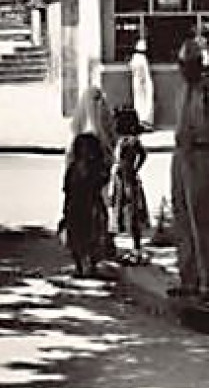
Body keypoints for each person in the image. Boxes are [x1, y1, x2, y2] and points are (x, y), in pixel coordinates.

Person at [170, 37, 209, 301]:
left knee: (204, 218)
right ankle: (189, 276)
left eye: (189, 64)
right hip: (182, 154)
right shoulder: (183, 90)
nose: (184, 69)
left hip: (204, 154)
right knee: (182, 217)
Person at [62, 87, 114, 276]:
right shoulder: (80, 135)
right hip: (82, 190)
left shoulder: (89, 134)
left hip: (89, 190)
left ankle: (89, 261)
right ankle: (84, 261)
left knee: (90, 224)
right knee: (83, 225)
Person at [110, 106, 150, 263]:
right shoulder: (128, 141)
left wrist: (131, 169)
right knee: (125, 212)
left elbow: (141, 155)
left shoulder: (128, 142)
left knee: (131, 213)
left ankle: (136, 247)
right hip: (125, 177)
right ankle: (133, 246)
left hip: (126, 179)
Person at [128, 38, 155, 130]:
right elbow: (143, 74)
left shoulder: (134, 58)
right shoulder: (142, 59)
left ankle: (140, 121)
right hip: (142, 83)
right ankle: (145, 122)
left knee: (138, 102)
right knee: (145, 103)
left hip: (136, 83)